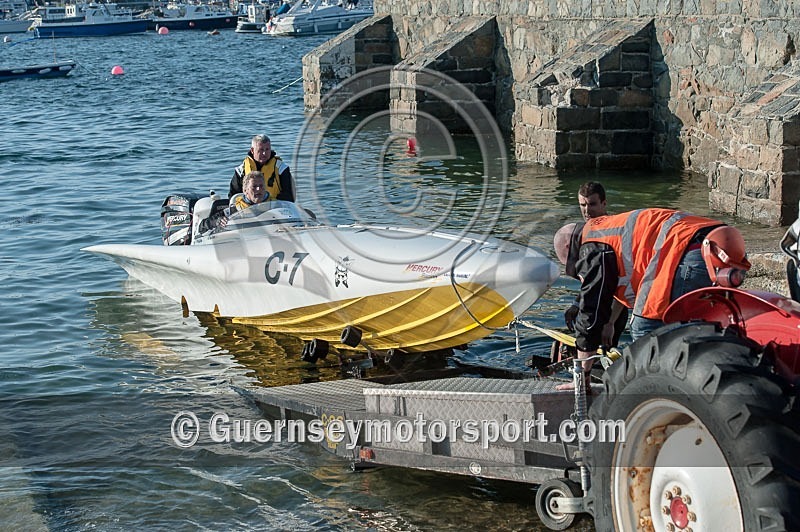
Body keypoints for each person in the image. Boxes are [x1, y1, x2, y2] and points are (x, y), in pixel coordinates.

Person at [553, 208, 751, 385]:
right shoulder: (607, 229)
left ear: (572, 251)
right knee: (703, 327)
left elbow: (591, 312)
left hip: (687, 252)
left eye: (576, 270)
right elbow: (616, 284)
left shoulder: (592, 246)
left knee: (646, 327)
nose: (580, 274)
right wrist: (610, 322)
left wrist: (582, 377)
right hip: (723, 243)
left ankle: (658, 395)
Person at [564, 182, 628, 347]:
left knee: (604, 351)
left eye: (592, 204)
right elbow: (592, 280)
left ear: (604, 203)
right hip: (594, 304)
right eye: (582, 205)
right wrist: (576, 304)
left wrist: (610, 322)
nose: (586, 210)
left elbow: (624, 282)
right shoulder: (587, 232)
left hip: (613, 308)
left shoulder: (615, 232)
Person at [230, 134, 294, 202]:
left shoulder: (281, 169)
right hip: (249, 209)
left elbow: (289, 196)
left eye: (267, 149)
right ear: (252, 150)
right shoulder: (241, 171)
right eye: (261, 150)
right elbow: (233, 197)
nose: (264, 153)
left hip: (274, 208)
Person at [200, 171, 269, 233]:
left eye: (261, 186)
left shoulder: (274, 206)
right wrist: (217, 221)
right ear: (245, 190)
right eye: (254, 186)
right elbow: (202, 226)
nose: (258, 189)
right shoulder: (234, 210)